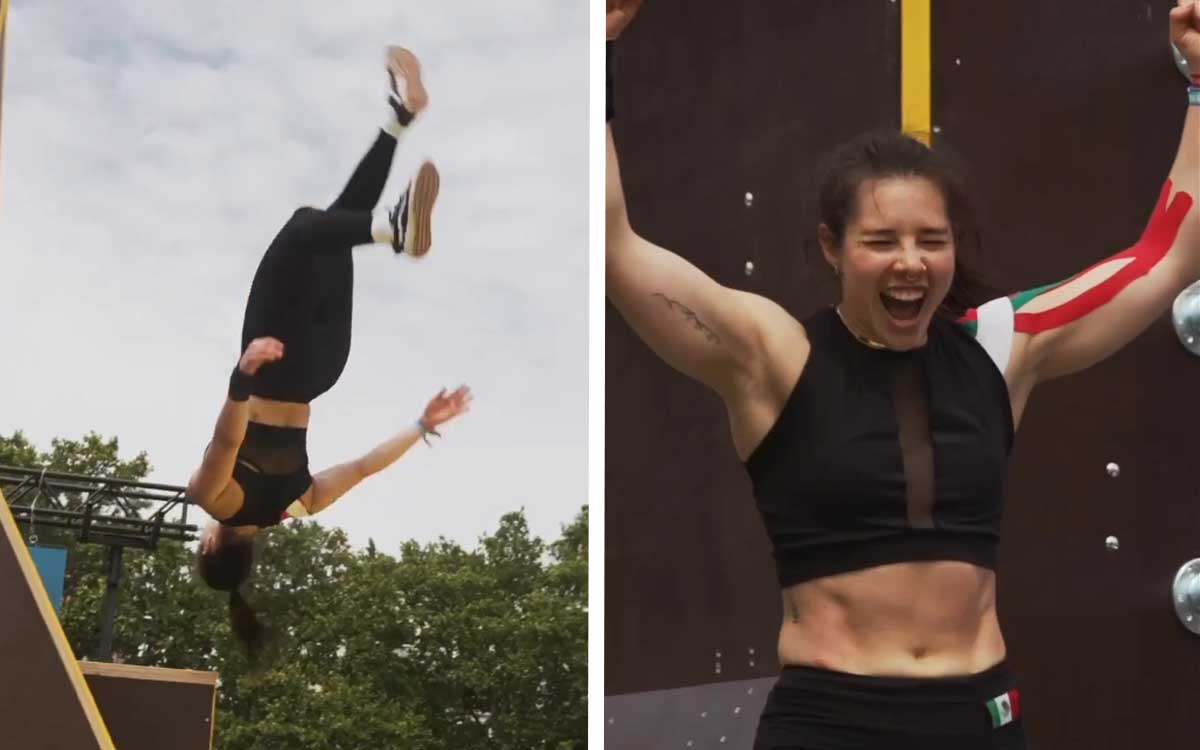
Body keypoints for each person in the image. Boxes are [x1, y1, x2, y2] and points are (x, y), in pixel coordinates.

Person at [605, 1, 1199, 747]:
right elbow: (616, 247)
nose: (911, 263)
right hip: (830, 720)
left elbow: (1164, 257)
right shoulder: (773, 359)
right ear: (833, 247)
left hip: (976, 718)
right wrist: (597, 55)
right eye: (881, 241)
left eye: (932, 240)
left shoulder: (1000, 346)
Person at [186, 46, 473, 658]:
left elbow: (368, 465)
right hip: (273, 365)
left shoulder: (299, 505)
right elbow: (225, 444)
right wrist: (240, 380)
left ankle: (402, 115)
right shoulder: (213, 499)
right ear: (212, 545)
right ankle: (394, 230)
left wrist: (424, 423)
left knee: (331, 229)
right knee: (302, 228)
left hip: (324, 369)